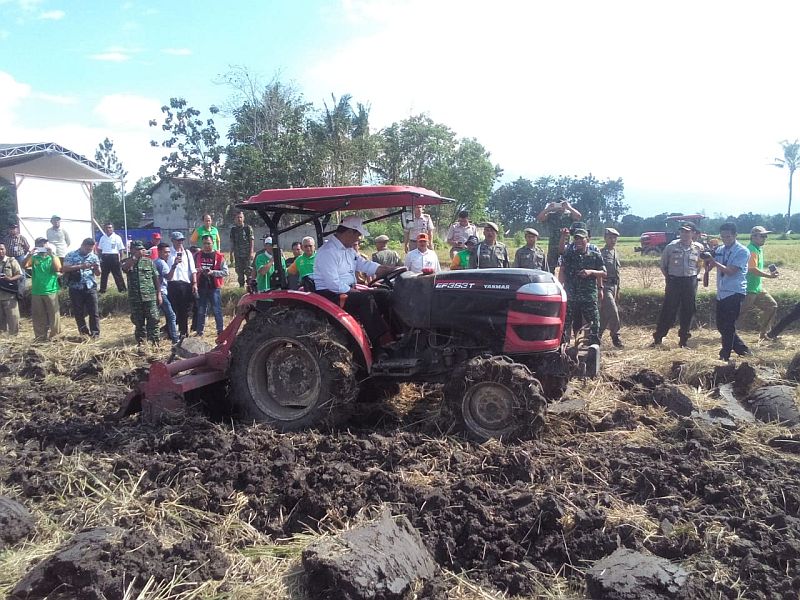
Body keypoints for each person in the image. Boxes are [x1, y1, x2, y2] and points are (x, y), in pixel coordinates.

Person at [311, 216, 398, 348]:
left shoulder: (349, 250)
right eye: (358, 235)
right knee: (365, 299)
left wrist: (385, 269)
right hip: (330, 294)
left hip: (345, 290)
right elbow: (333, 283)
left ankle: (397, 334)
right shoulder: (327, 252)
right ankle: (380, 343)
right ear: (349, 232)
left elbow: (363, 264)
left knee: (384, 294)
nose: (359, 239)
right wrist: (354, 291)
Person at [652, 223, 704, 347]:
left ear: (693, 233)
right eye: (682, 231)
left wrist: (693, 276)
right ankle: (658, 338)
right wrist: (669, 279)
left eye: (687, 232)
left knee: (688, 310)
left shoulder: (699, 248)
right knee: (668, 309)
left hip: (690, 282)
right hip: (674, 281)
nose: (684, 234)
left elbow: (699, 265)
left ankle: (683, 340)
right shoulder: (671, 247)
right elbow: (663, 265)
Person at [706, 223, 751, 361]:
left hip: (735, 291)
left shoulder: (742, 251)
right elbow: (710, 265)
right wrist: (708, 259)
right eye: (723, 237)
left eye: (728, 236)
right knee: (721, 325)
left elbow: (731, 271)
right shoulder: (720, 249)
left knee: (728, 325)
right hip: (722, 292)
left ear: (735, 235)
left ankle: (724, 355)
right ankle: (743, 350)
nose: (725, 239)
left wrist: (714, 262)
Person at [558, 228, 605, 345]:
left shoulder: (595, 255)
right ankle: (563, 347)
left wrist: (591, 272)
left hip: (588, 296)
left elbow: (604, 273)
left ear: (587, 239)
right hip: (571, 296)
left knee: (594, 323)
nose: (578, 241)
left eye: (581, 239)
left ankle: (593, 347)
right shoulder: (569, 255)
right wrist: (560, 288)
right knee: (565, 323)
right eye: (576, 239)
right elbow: (562, 269)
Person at [735, 226, 778, 339]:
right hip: (748, 288)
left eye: (765, 236)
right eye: (762, 236)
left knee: (772, 306)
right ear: (754, 237)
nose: (765, 238)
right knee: (740, 313)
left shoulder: (758, 249)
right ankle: (729, 334)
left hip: (756, 287)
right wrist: (769, 276)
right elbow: (752, 269)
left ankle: (764, 334)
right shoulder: (752, 250)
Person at [122, 241, 161, 346]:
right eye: (137, 249)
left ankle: (154, 342)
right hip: (135, 298)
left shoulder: (149, 262)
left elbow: (156, 278)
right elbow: (125, 268)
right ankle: (142, 343)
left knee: (154, 319)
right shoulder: (128, 261)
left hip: (150, 296)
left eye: (141, 249)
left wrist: (159, 294)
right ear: (132, 250)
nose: (140, 251)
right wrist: (135, 257)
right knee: (138, 321)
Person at [62, 237, 102, 337]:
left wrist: (96, 268)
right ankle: (84, 333)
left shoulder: (93, 257)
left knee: (94, 311)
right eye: (87, 249)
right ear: (82, 246)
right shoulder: (71, 255)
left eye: (91, 249)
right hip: (75, 287)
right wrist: (80, 266)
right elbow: (65, 268)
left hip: (90, 286)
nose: (88, 251)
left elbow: (98, 274)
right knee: (78, 312)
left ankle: (95, 333)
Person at [24, 238, 62, 341]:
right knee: (38, 315)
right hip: (37, 291)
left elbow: (58, 268)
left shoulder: (53, 257)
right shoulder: (34, 257)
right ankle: (40, 337)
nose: (42, 246)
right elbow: (24, 265)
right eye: (39, 244)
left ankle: (55, 337)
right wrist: (29, 254)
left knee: (54, 315)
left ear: (47, 245)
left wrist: (52, 254)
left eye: (44, 243)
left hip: (51, 290)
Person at [194, 234, 228, 336]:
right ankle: (199, 331)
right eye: (204, 243)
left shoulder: (219, 256)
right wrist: (198, 270)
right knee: (201, 310)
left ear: (213, 243)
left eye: (208, 243)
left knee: (217, 310)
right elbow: (192, 270)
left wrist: (212, 272)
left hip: (214, 287)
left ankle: (220, 331)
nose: (206, 246)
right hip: (201, 286)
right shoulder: (197, 255)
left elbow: (225, 272)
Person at [536, 198, 582, 274]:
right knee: (550, 268)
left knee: (567, 267)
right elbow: (539, 218)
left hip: (566, 245)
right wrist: (548, 209)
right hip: (553, 245)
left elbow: (578, 216)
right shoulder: (551, 215)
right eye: (558, 204)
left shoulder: (569, 215)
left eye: (562, 204)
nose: (560, 206)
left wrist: (569, 207)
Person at [166, 231, 197, 338]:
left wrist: (194, 283)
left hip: (185, 284)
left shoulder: (187, 253)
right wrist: (174, 263)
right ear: (172, 240)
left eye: (181, 240)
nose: (180, 242)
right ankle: (172, 333)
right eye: (178, 240)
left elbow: (193, 270)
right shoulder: (168, 253)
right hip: (172, 284)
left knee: (184, 310)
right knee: (172, 310)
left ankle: (183, 332)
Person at [599, 228, 623, 348]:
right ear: (605, 238)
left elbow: (617, 274)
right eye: (610, 237)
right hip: (605, 286)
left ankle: (596, 336)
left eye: (615, 238)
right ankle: (615, 336)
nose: (613, 240)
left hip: (614, 286)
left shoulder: (615, 253)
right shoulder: (600, 253)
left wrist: (618, 290)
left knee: (605, 314)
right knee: (613, 312)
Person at [153, 242, 179, 343]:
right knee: (171, 315)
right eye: (165, 252)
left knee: (155, 316)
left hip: (158, 292)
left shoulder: (155, 262)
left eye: (168, 252)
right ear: (159, 252)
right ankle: (175, 338)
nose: (167, 254)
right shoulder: (161, 263)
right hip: (161, 292)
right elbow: (168, 277)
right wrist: (174, 266)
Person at [97, 222, 127, 293]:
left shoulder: (117, 237)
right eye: (106, 228)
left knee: (117, 274)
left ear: (113, 228)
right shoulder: (102, 238)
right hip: (105, 257)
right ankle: (102, 290)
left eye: (110, 227)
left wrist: (121, 260)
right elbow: (100, 249)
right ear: (104, 229)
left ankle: (122, 290)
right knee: (104, 275)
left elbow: (121, 250)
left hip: (114, 257)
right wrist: (100, 258)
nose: (108, 229)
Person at [0, 243, 21, 335]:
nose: (0, 251)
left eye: (2, 249)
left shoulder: (11, 261)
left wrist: (9, 279)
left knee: (13, 319)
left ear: (5, 250)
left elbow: (19, 274)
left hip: (9, 296)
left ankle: (14, 337)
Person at [229, 211, 255, 288]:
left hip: (247, 255)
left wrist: (251, 252)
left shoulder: (247, 228)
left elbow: (251, 241)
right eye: (237, 217)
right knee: (239, 273)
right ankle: (241, 288)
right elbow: (232, 242)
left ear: (243, 218)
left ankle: (250, 288)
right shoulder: (233, 230)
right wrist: (231, 254)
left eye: (240, 217)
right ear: (235, 219)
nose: (239, 219)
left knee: (249, 272)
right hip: (238, 255)